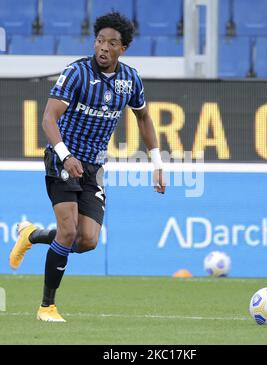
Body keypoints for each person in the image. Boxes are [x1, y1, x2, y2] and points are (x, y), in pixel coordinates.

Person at [9, 12, 166, 322]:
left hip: (93, 167)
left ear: (123, 49)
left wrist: (157, 163)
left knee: (88, 240)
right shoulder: (77, 73)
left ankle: (31, 235)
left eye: (111, 43)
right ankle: (46, 307)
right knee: (68, 231)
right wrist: (66, 155)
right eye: (99, 41)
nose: (103, 47)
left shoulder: (130, 80)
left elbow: (144, 118)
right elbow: (48, 118)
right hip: (62, 160)